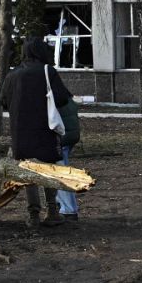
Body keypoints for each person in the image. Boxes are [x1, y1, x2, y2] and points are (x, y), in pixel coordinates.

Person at [3, 37, 72, 227]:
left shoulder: (13, 75)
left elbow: (3, 101)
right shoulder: (47, 72)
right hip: (45, 130)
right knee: (49, 170)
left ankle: (33, 214)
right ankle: (52, 211)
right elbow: (62, 99)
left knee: (29, 172)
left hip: (20, 131)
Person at [55, 91, 82, 220]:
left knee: (59, 173)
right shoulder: (64, 94)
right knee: (60, 170)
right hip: (70, 136)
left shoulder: (51, 95)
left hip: (62, 138)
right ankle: (61, 204)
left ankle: (68, 209)